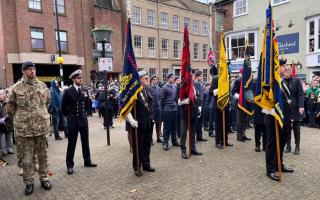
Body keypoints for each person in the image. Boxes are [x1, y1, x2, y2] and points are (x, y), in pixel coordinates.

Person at [6, 61, 52, 195]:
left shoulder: (43, 86)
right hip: (24, 130)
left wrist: (40, 115)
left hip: (41, 128)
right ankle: (29, 182)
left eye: (34, 69)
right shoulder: (16, 88)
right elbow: (10, 108)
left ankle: (44, 178)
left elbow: (47, 103)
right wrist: (23, 118)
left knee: (43, 155)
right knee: (27, 158)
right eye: (30, 69)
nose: (33, 71)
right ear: (23, 71)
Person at [62, 69, 97, 175]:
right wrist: (70, 117)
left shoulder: (84, 90)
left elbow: (87, 104)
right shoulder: (68, 91)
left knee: (85, 142)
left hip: (83, 120)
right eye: (78, 78)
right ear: (73, 79)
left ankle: (87, 161)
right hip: (73, 121)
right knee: (71, 143)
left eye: (81, 77)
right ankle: (69, 165)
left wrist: (85, 114)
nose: (80, 79)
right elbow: (64, 108)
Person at [265, 58, 294, 182]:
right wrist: (276, 113)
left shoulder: (282, 82)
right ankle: (270, 169)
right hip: (273, 119)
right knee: (272, 143)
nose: (285, 68)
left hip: (284, 119)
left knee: (281, 143)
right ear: (277, 68)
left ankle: (279, 164)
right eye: (283, 66)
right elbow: (266, 102)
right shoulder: (272, 84)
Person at [125, 71, 155, 177]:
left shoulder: (147, 89)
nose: (148, 80)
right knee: (138, 147)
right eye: (146, 78)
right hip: (138, 123)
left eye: (147, 78)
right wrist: (131, 120)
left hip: (148, 123)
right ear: (140, 79)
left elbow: (151, 104)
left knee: (147, 145)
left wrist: (152, 117)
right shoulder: (134, 92)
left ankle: (146, 164)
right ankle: (137, 167)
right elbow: (126, 108)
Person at [178, 83, 203, 159]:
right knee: (183, 133)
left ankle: (193, 148)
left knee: (193, 132)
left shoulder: (194, 87)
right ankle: (183, 151)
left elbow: (198, 98)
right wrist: (185, 101)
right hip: (185, 114)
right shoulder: (181, 88)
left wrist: (199, 108)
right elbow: (178, 101)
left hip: (194, 113)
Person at [283, 66, 304, 155]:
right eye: (284, 71)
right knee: (287, 127)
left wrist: (301, 106)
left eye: (287, 71)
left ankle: (297, 146)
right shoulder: (281, 82)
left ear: (290, 72)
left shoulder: (296, 81)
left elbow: (301, 94)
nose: (285, 73)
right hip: (286, 109)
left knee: (296, 127)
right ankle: (288, 145)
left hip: (295, 108)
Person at [161, 73, 179, 151]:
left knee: (174, 127)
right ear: (168, 78)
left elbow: (176, 97)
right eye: (171, 77)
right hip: (167, 110)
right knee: (167, 127)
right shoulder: (164, 87)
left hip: (174, 109)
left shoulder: (175, 87)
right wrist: (164, 110)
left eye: (173, 77)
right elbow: (162, 100)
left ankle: (174, 141)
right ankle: (165, 143)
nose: (173, 78)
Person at [147, 75, 163, 143]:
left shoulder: (159, 88)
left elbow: (160, 98)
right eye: (154, 79)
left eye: (156, 79)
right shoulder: (148, 88)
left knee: (158, 124)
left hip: (158, 109)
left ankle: (158, 138)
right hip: (152, 109)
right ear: (151, 80)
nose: (155, 81)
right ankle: (150, 139)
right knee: (151, 125)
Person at [194, 71, 207, 141]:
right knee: (197, 121)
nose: (201, 77)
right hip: (197, 105)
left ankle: (200, 136)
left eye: (201, 76)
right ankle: (197, 136)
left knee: (200, 120)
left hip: (201, 104)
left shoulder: (201, 84)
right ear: (197, 77)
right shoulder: (195, 84)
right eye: (200, 76)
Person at [0, 89, 14, 156]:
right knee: (2, 137)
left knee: (8, 135)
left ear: (4, 95)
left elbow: (10, 111)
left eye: (1, 94)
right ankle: (4, 150)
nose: (0, 96)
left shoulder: (8, 102)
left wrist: (4, 118)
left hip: (7, 122)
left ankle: (9, 149)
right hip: (1, 124)